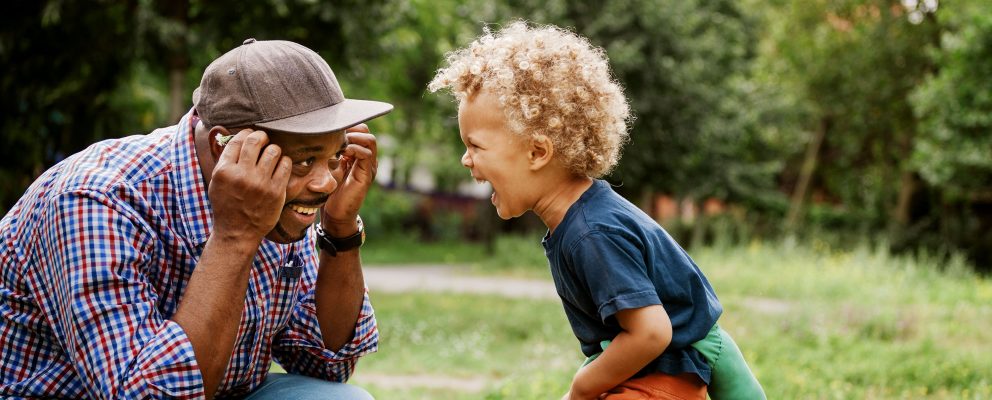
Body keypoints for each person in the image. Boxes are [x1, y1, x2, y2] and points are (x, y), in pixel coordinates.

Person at [0, 38, 392, 399]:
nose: (325, 182)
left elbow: (327, 361)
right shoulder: (96, 198)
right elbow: (147, 396)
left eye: (334, 156)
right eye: (306, 159)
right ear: (224, 144)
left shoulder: (284, 194)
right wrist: (235, 236)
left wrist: (340, 229)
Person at [429, 22, 765, 400]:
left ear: (538, 152)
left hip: (671, 370)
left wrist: (581, 387)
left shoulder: (591, 232)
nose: (465, 159)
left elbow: (652, 331)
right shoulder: (584, 218)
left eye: (475, 146)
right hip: (662, 364)